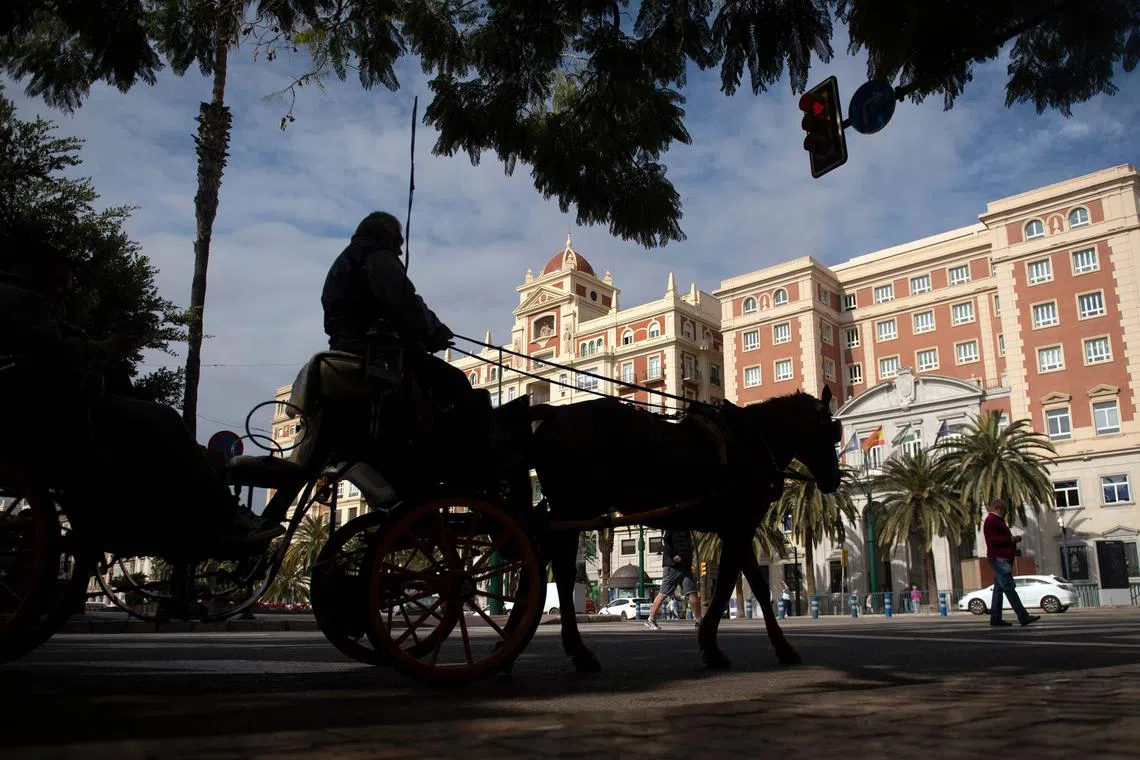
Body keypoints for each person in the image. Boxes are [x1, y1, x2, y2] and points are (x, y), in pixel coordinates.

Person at [0, 231, 282, 550]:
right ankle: (224, 516)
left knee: (158, 426)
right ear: (31, 272)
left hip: (56, 408)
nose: (64, 296)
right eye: (59, 286)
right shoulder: (22, 302)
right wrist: (106, 349)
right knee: (163, 420)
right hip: (53, 414)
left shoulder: (29, 306)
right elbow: (59, 355)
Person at [320, 212, 490, 464]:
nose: (400, 252)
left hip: (347, 346)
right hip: (376, 352)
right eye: (398, 243)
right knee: (455, 382)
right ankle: (471, 458)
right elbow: (403, 302)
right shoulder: (376, 256)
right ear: (386, 236)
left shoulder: (344, 262)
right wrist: (435, 331)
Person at [983, 497, 1040, 627]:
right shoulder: (992, 521)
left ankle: (996, 618)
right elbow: (994, 540)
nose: (1006, 513)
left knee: (999, 589)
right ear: (998, 508)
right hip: (1000, 558)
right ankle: (1023, 616)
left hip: (1000, 557)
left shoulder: (994, 521)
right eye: (1005, 510)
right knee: (1009, 587)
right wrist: (1011, 540)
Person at [645, 529, 702, 630]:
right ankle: (651, 619)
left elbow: (690, 543)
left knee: (692, 593)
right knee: (664, 593)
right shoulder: (668, 525)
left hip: (686, 566)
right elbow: (664, 542)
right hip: (672, 566)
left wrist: (689, 557)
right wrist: (673, 556)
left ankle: (699, 621)